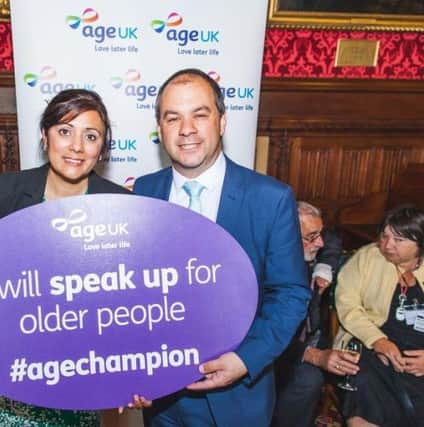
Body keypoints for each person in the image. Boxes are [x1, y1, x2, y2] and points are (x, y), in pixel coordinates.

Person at [0, 88, 129, 427]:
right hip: (10, 358)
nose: (76, 146)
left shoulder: (120, 204)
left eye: (90, 136)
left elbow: (131, 295)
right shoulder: (8, 191)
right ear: (44, 137)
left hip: (82, 363)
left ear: (102, 149)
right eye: (65, 131)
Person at [132, 68, 310, 426]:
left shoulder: (270, 199)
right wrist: (130, 367)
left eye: (200, 114)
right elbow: (132, 291)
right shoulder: (144, 191)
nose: (187, 129)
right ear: (160, 129)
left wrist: (245, 359)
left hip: (238, 397)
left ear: (222, 121)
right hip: (163, 400)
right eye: (173, 118)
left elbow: (290, 293)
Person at [335, 205, 424, 427]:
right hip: (370, 344)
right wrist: (378, 341)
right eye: (384, 236)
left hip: (418, 352)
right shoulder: (367, 258)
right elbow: (347, 304)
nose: (387, 245)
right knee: (364, 386)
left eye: (399, 240)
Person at [271, 201, 356, 427]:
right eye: (311, 237)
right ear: (284, 237)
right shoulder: (265, 273)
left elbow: (332, 239)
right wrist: (316, 356)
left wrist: (324, 265)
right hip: (276, 352)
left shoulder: (314, 252)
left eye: (318, 235)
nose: (319, 242)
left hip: (310, 336)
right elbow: (269, 337)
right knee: (307, 379)